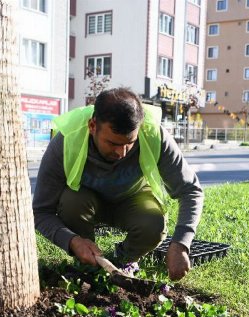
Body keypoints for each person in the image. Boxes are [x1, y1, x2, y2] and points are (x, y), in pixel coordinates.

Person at [32, 87, 204, 281]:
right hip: (84, 202)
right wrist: (72, 241)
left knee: (153, 224)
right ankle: (88, 262)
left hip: (132, 199)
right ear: (92, 126)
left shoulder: (154, 134)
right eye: (113, 143)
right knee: (72, 202)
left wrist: (181, 244)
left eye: (129, 143)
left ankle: (124, 261)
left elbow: (190, 191)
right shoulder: (67, 139)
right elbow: (41, 211)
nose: (121, 153)